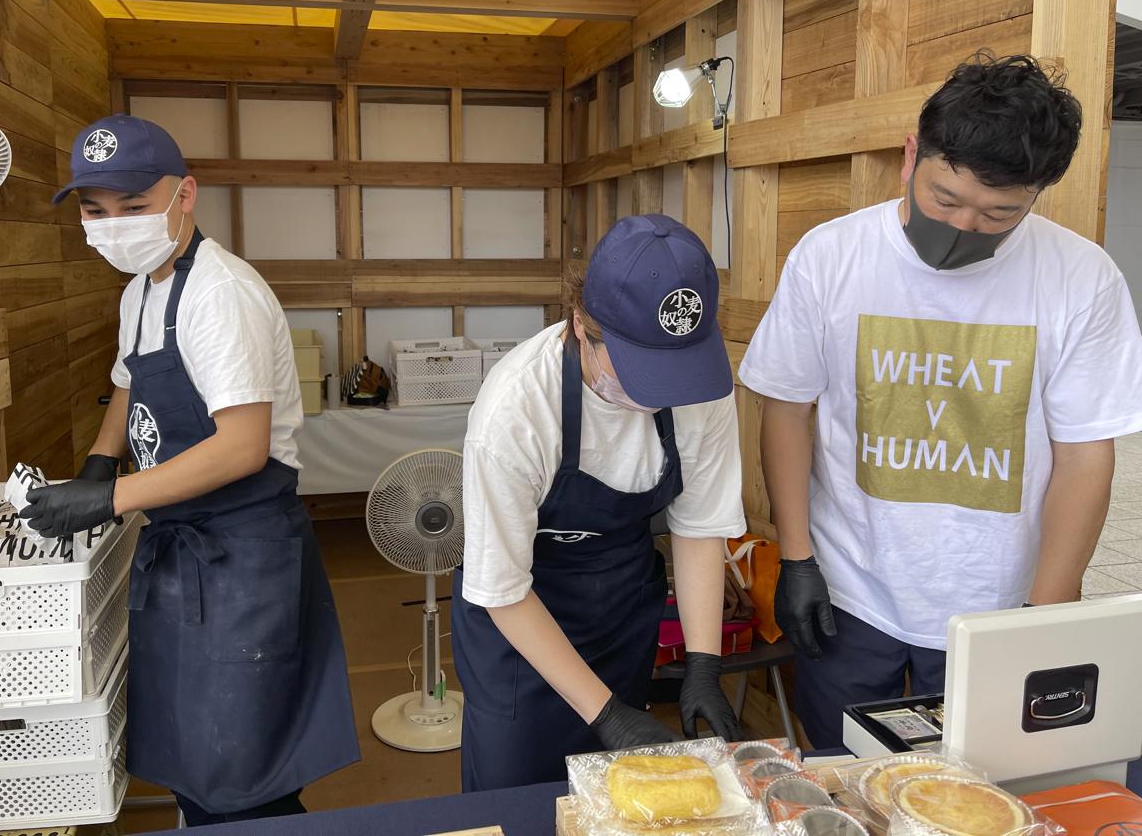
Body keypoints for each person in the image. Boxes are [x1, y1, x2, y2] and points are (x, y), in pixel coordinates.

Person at [737, 55, 1142, 748]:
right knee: (839, 770)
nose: (965, 227)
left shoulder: (1082, 280)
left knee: (973, 786)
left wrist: (1043, 617)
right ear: (910, 156)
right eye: (946, 200)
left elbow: (1084, 458)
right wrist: (797, 557)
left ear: (1037, 194)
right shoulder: (830, 257)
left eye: (999, 214)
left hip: (1000, 599)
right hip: (849, 585)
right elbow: (788, 410)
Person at [22, 115, 359, 824]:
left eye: (134, 207)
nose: (113, 226)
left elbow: (243, 446)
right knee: (193, 753)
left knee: (246, 768)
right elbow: (128, 382)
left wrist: (108, 499)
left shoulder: (218, 295)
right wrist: (97, 462)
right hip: (181, 545)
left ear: (185, 196)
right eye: (95, 212)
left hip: (243, 554)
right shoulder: (141, 288)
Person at [452, 214, 747, 792]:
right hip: (521, 620)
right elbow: (503, 589)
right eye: (644, 370)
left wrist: (704, 665)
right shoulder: (516, 411)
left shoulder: (700, 383)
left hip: (620, 606)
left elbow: (698, 526)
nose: (662, 391)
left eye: (675, 369)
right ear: (582, 328)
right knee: (520, 793)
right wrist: (606, 714)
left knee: (620, 799)